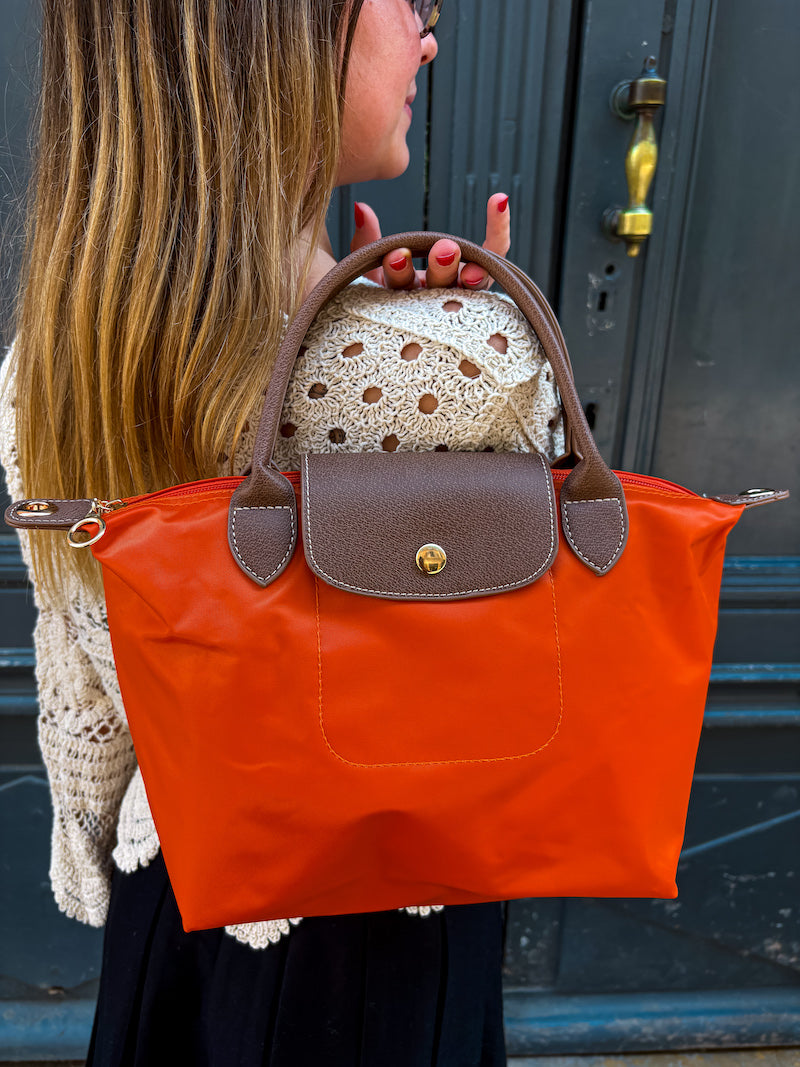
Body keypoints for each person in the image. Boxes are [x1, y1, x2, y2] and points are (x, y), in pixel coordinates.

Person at [0, 2, 563, 1063]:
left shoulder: (48, 361)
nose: (427, 35)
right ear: (282, 32)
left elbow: (86, 669)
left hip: (176, 886)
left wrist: (94, 828)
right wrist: (494, 343)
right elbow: (514, 660)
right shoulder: (458, 365)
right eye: (409, 2)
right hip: (378, 929)